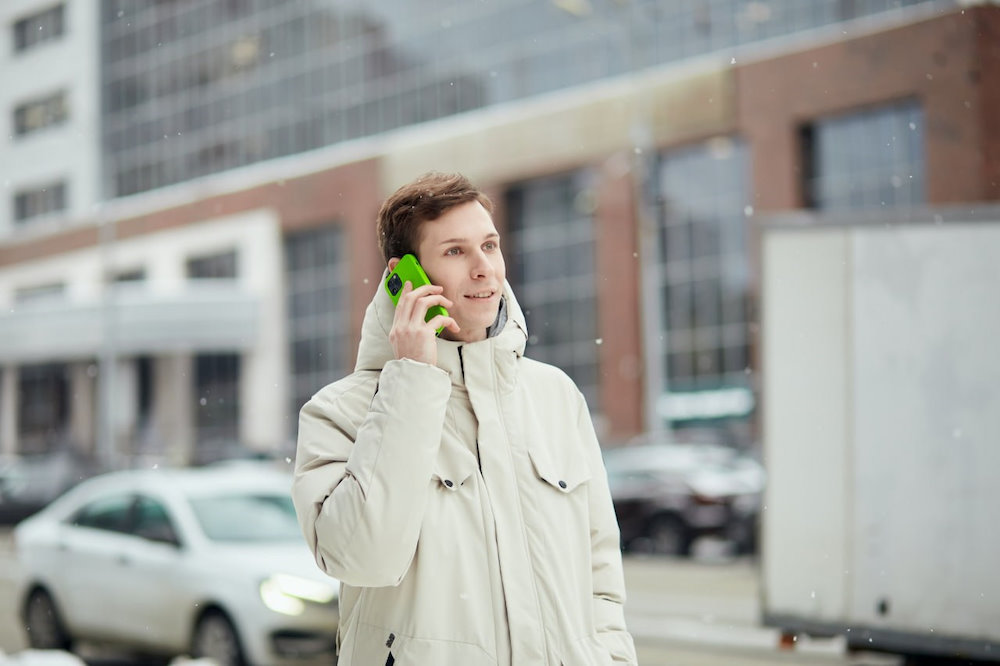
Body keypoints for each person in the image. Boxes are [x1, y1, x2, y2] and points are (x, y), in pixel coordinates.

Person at [292, 171, 637, 665]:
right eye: (455, 251)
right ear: (403, 275)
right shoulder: (339, 411)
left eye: (490, 246)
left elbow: (601, 573)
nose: (485, 270)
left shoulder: (555, 396)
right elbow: (363, 557)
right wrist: (411, 380)